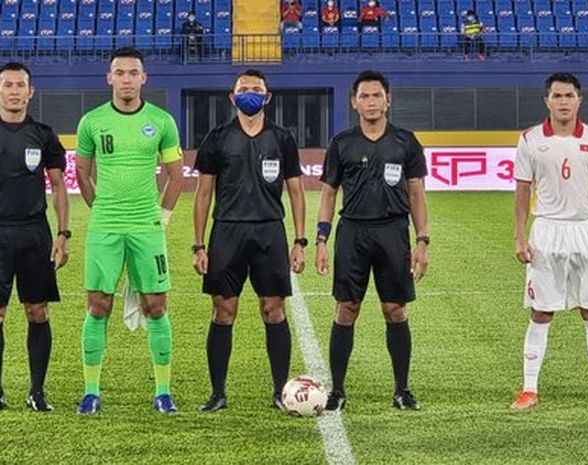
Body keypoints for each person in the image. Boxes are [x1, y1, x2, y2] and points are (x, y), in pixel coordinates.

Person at [74, 47, 184, 414]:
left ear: (143, 78)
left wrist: (162, 218)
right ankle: (91, 391)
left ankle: (163, 392)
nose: (126, 79)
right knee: (98, 305)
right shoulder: (91, 122)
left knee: (156, 305)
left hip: (146, 228)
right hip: (105, 226)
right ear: (109, 78)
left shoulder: (162, 121)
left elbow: (175, 176)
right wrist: (102, 210)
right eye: (119, 72)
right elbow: (83, 174)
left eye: (132, 73)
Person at [192, 69, 306, 412]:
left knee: (274, 310)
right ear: (232, 96)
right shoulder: (217, 138)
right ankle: (217, 393)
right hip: (227, 232)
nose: (250, 94)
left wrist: (300, 240)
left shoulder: (282, 138)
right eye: (244, 89)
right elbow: (202, 195)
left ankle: (279, 392)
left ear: (268, 97)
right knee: (223, 310)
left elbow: (297, 192)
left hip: (270, 232)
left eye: (257, 89)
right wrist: (199, 245)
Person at [316, 70, 429, 411]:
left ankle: (401, 390)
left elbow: (416, 193)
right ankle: (337, 391)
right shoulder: (342, 143)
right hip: (353, 232)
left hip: (394, 232)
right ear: (354, 102)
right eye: (364, 96)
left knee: (394, 309)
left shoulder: (405, 141)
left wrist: (422, 240)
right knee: (346, 308)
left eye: (377, 95)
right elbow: (328, 193)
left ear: (388, 100)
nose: (371, 102)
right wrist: (322, 237)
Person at [511, 72, 588, 410]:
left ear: (579, 100)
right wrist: (519, 234)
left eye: (569, 96)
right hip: (545, 230)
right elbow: (521, 190)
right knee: (541, 311)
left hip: (586, 231)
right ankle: (529, 389)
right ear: (547, 101)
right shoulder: (530, 140)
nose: (563, 102)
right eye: (557, 96)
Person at [0, 62, 69, 412]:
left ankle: (36, 391)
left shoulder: (43, 134)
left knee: (37, 311)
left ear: (31, 92)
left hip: (34, 234)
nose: (14, 90)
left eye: (20, 85)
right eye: (8, 84)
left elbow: (58, 187)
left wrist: (62, 234)